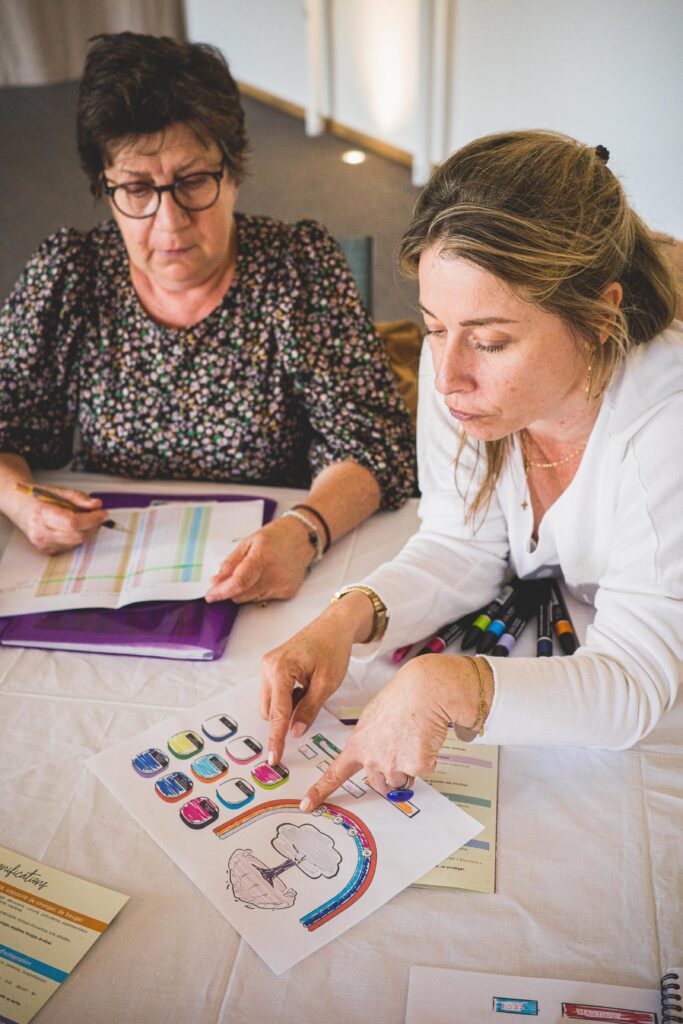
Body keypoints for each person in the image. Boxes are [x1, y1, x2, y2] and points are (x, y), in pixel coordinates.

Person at [261, 130, 682, 810]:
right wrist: (348, 617)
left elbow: (632, 686)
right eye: (434, 327)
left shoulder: (667, 425)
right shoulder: (457, 369)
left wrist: (449, 684)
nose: (447, 376)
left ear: (599, 315)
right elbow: (462, 543)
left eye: (489, 341)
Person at [0, 32, 415, 604]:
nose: (169, 222)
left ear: (234, 171)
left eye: (193, 181)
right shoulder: (70, 275)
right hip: (107, 568)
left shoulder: (298, 269)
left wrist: (306, 530)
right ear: (105, 186)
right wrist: (20, 500)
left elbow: (375, 444)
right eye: (137, 189)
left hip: (269, 566)